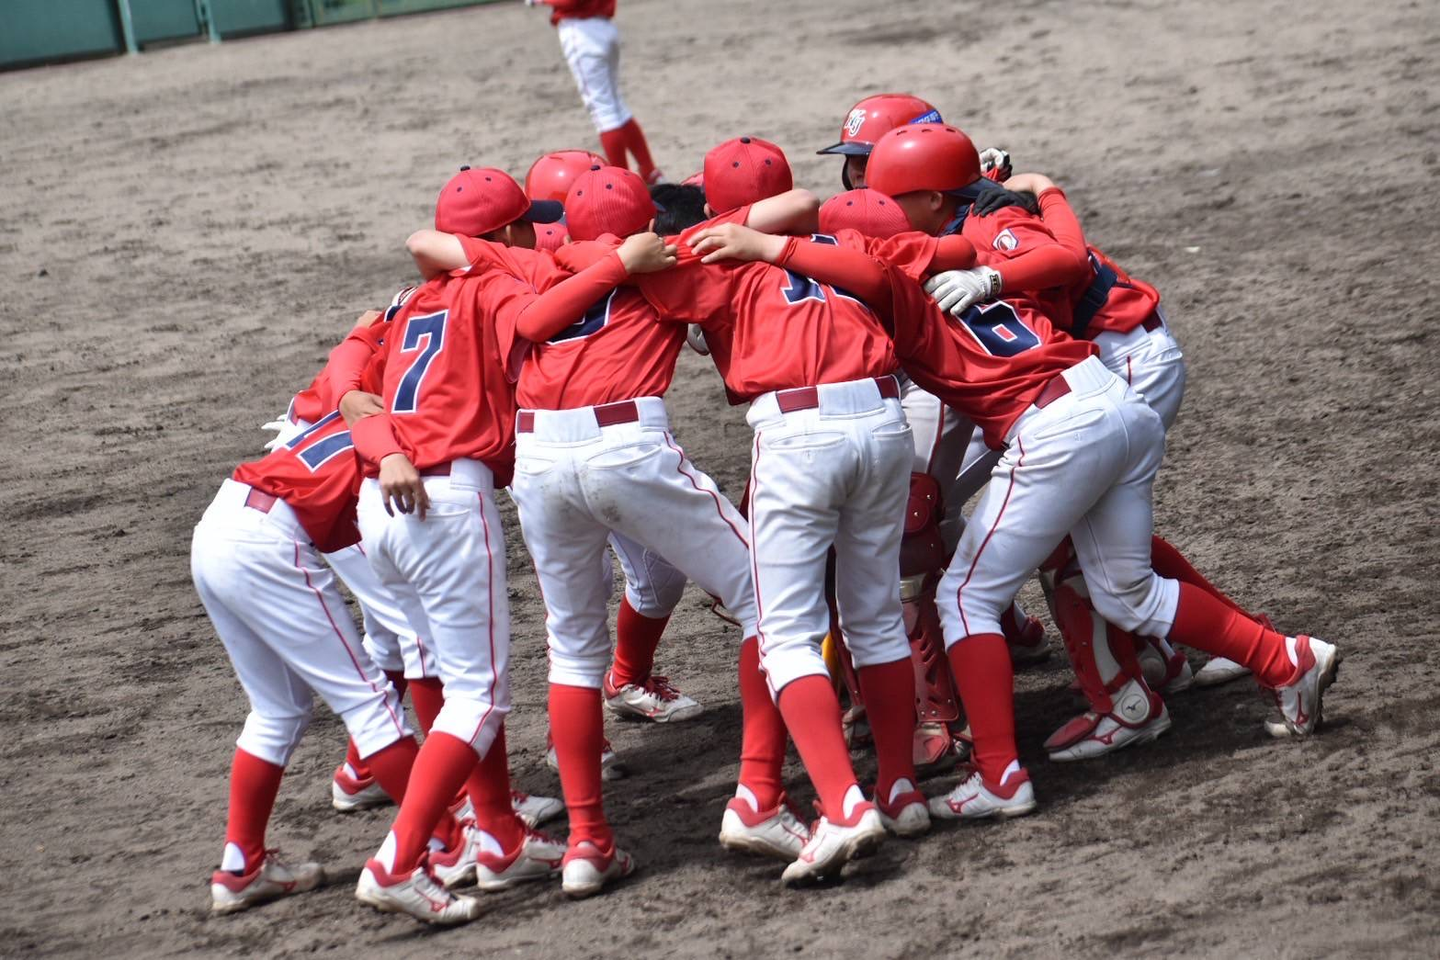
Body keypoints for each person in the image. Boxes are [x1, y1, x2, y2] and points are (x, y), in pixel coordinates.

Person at [695, 122, 1343, 822]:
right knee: (1126, 589)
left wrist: (769, 251)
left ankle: (999, 774)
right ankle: (1286, 658)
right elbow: (962, 253)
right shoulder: (959, 245)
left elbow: (867, 277)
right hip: (1110, 399)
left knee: (964, 598)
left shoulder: (887, 280)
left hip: (1056, 427)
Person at [561, 136, 930, 885]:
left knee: (784, 629)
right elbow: (828, 221)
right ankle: (900, 789)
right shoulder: (844, 236)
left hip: (799, 435)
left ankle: (841, 805)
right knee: (875, 616)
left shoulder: (711, 254)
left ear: (713, 205)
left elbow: (614, 265)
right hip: (885, 421)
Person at [526, 1, 663, 183]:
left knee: (604, 112)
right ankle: (650, 172)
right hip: (604, 28)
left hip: (582, 32)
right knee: (616, 106)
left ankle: (623, 184)